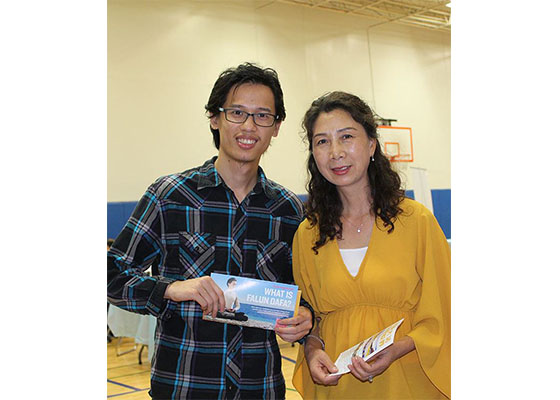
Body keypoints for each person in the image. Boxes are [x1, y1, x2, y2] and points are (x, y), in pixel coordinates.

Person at [107, 63, 313, 399]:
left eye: (262, 116)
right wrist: (171, 289)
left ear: (276, 127)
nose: (249, 126)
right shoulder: (169, 196)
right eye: (237, 113)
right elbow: (110, 273)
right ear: (215, 118)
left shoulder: (288, 209)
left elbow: (306, 292)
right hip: (184, 387)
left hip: (259, 388)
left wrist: (306, 317)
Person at [291, 91, 450, 399]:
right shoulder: (308, 234)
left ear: (372, 145)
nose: (335, 152)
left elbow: (445, 309)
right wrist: (312, 349)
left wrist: (398, 347)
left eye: (346, 137)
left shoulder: (416, 221)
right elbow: (312, 318)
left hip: (408, 382)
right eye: (322, 141)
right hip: (339, 388)